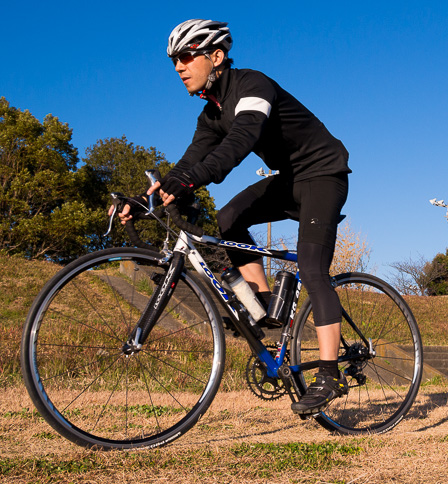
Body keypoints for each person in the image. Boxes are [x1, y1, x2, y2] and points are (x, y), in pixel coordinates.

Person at [114, 19, 351, 415]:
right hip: (290, 179)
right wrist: (145, 200)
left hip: (324, 173)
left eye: (187, 56)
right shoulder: (210, 115)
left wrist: (195, 178)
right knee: (229, 217)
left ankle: (329, 373)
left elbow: (244, 138)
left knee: (312, 269)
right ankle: (260, 307)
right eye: (175, 60)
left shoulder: (253, 85)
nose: (179, 67)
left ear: (216, 56)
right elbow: (188, 163)